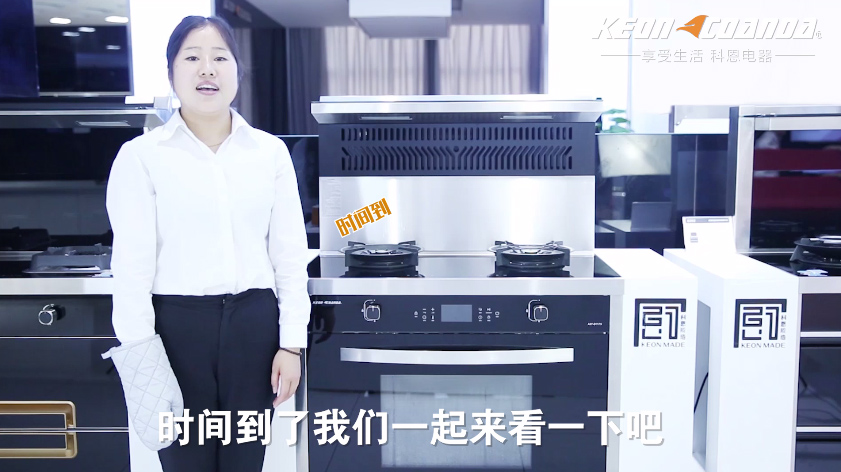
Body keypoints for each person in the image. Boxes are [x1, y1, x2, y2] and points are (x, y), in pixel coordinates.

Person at [105, 15, 311, 472]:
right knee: (185, 462)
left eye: (220, 58)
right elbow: (132, 269)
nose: (207, 69)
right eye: (192, 58)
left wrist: (292, 345)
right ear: (171, 73)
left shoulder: (269, 153)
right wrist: (142, 356)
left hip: (255, 330)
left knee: (245, 462)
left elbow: (289, 256)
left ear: (237, 72)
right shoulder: (141, 157)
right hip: (175, 333)